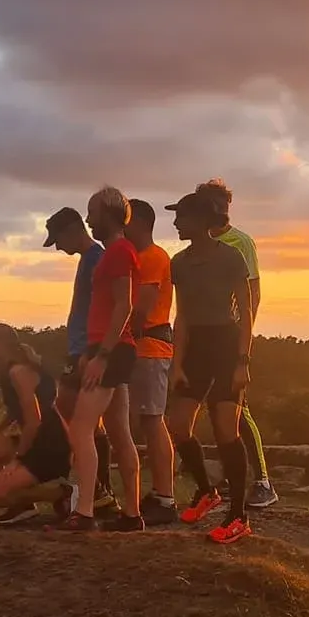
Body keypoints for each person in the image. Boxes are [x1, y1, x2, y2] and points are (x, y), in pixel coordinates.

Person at [163, 189, 257, 544]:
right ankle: (207, 491)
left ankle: (239, 516)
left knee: (225, 429)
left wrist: (243, 361)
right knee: (179, 426)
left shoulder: (231, 257)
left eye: (181, 217)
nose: (175, 223)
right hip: (196, 347)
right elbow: (182, 315)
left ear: (202, 221)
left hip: (226, 344)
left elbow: (246, 313)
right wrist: (177, 362)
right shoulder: (180, 263)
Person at [56, 186, 143, 534]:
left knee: (80, 427)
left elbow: (124, 305)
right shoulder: (112, 253)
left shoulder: (120, 251)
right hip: (107, 348)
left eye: (92, 213)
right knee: (120, 433)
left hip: (111, 350)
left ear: (107, 213)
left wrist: (101, 356)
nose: (89, 220)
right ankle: (132, 513)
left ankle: (87, 512)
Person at [197, 178, 277, 508]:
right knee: (215, 409)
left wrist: (245, 340)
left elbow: (253, 295)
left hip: (231, 338)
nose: (223, 212)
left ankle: (263, 482)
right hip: (204, 336)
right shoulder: (197, 245)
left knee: (238, 409)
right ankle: (234, 478)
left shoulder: (240, 242)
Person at [43, 205, 114, 513]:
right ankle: (101, 490)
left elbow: (106, 308)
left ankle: (94, 490)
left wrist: (91, 352)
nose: (58, 247)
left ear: (73, 230)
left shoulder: (96, 259)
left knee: (71, 420)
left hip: (87, 351)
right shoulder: (89, 259)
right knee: (92, 425)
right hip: (81, 349)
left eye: (58, 239)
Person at [0, 324, 73, 524]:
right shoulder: (7, 371)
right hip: (32, 437)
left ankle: (60, 492)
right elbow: (14, 410)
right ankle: (23, 506)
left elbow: (34, 420)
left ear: (2, 346)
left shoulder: (18, 372)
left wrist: (17, 460)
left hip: (49, 445)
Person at [123, 198, 178, 525]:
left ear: (139, 224)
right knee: (144, 421)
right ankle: (158, 493)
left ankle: (165, 497)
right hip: (140, 348)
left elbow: (141, 309)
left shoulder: (154, 258)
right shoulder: (137, 259)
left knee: (153, 421)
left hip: (149, 348)